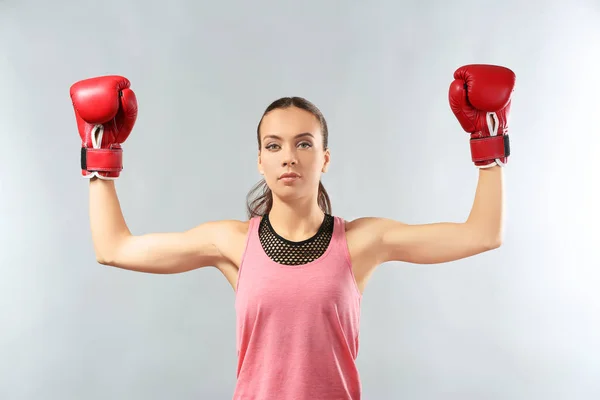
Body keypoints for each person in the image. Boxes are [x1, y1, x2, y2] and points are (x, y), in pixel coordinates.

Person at [70, 64, 515, 400]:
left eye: (304, 143)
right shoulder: (231, 243)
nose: (289, 157)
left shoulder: (362, 242)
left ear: (324, 159)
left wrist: (489, 141)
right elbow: (114, 248)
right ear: (260, 161)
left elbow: (481, 234)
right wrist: (100, 155)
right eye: (274, 145)